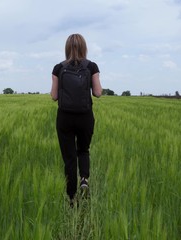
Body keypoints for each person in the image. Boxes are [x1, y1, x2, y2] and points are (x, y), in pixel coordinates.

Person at [51, 33, 102, 205]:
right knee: (83, 150)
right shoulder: (92, 66)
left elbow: (53, 96)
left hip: (64, 117)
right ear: (84, 47)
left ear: (66, 48)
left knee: (69, 157)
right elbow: (98, 93)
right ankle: (84, 179)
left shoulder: (58, 68)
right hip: (85, 116)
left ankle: (71, 198)